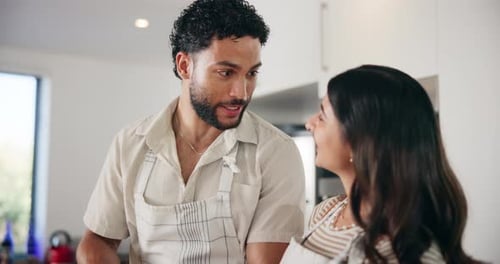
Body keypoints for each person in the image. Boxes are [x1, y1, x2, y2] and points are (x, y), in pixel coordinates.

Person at [76, 0, 305, 263]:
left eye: (251, 73)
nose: (241, 93)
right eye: (226, 72)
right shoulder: (130, 143)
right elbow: (97, 241)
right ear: (185, 66)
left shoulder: (276, 153)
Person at [281, 65, 479, 263]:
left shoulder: (407, 253)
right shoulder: (324, 213)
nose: (309, 124)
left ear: (359, 141)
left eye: (323, 116)